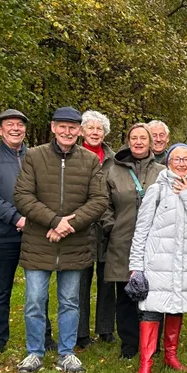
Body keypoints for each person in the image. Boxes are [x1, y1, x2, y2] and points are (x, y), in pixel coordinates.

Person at [13, 106, 108, 373]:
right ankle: (34, 352)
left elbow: (99, 200)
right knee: (34, 300)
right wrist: (55, 221)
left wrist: (69, 225)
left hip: (74, 244)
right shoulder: (34, 156)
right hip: (38, 242)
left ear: (79, 131)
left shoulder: (90, 161)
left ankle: (66, 353)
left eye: (73, 127)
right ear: (53, 127)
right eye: (62, 126)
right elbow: (22, 196)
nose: (68, 132)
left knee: (70, 301)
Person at [0, 109, 56, 356]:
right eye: (10, 124)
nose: (16, 128)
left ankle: (45, 335)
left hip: (35, 233)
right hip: (2, 234)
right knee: (2, 288)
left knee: (39, 288)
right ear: (0, 130)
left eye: (20, 124)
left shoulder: (36, 157)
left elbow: (47, 191)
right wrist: (16, 218)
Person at [129, 144, 187, 373]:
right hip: (157, 261)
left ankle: (171, 356)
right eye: (177, 159)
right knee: (152, 309)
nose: (182, 163)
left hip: (184, 260)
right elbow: (141, 228)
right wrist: (137, 264)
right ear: (168, 162)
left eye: (186, 159)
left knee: (176, 305)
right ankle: (146, 362)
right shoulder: (156, 190)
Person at [101, 123, 165, 359]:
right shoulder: (113, 170)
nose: (138, 142)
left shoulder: (161, 171)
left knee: (153, 295)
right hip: (123, 240)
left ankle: (152, 344)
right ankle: (128, 344)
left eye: (143, 138)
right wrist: (111, 226)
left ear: (151, 142)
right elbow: (103, 202)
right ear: (128, 142)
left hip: (155, 242)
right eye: (134, 138)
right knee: (126, 294)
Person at [77, 110, 116, 348]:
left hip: (108, 227)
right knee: (79, 281)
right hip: (81, 226)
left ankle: (105, 328)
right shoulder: (74, 155)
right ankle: (81, 332)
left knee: (107, 279)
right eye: (90, 128)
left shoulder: (114, 158)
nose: (94, 132)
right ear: (82, 132)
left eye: (99, 129)